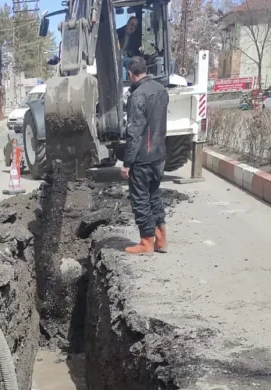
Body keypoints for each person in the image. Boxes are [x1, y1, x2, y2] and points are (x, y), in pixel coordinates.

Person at [121, 56, 168, 255]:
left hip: (143, 157)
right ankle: (161, 240)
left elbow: (134, 132)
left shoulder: (137, 95)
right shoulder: (161, 90)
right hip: (159, 154)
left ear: (130, 73)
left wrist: (127, 163)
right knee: (154, 196)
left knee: (140, 199)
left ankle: (146, 242)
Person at [116, 16, 141, 80]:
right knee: (124, 65)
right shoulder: (117, 33)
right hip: (116, 56)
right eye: (131, 25)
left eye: (135, 26)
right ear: (127, 23)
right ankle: (122, 83)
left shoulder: (134, 38)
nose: (132, 28)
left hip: (126, 58)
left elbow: (135, 52)